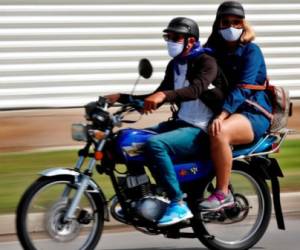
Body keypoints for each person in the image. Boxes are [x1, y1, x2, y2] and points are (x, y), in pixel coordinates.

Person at [105, 17, 228, 226]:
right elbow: (156, 95)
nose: (170, 40)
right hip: (181, 123)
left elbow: (195, 90)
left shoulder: (207, 62)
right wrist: (121, 97)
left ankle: (177, 202)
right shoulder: (175, 65)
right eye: (168, 36)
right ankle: (140, 200)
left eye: (175, 37)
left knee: (156, 144)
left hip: (202, 128)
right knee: (130, 141)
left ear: (190, 41)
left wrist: (164, 96)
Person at [199, 1, 273, 211]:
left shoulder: (252, 51)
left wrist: (222, 115)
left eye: (236, 22)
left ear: (243, 24)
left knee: (219, 132)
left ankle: (223, 193)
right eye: (226, 22)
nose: (231, 26)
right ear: (218, 25)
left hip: (253, 112)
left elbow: (243, 88)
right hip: (229, 112)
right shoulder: (213, 52)